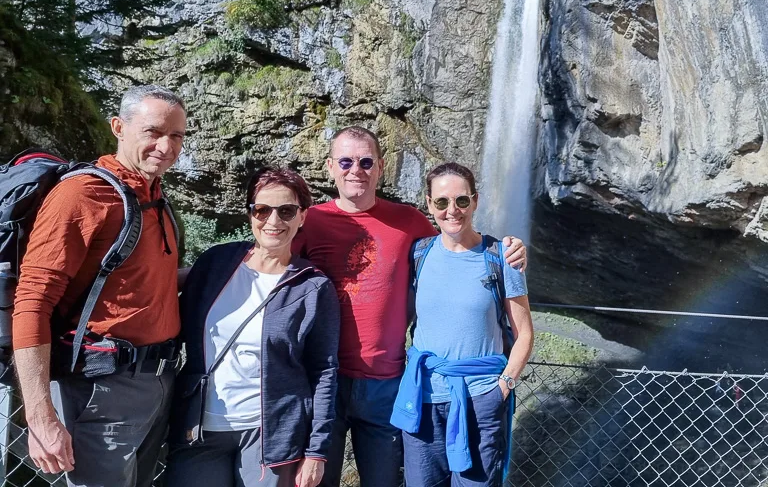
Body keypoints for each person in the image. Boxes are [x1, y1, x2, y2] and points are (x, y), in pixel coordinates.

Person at [293, 126, 528, 487]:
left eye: (366, 161)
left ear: (381, 167)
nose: (356, 169)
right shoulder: (308, 221)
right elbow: (270, 265)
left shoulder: (412, 224)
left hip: (390, 384)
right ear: (329, 167)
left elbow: (459, 248)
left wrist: (509, 247)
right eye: (345, 161)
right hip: (325, 379)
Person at [12, 85, 187, 487]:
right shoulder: (83, 194)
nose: (166, 146)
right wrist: (39, 418)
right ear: (118, 128)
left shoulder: (154, 195)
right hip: (100, 390)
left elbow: (141, 281)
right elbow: (33, 302)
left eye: (177, 136)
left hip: (157, 382)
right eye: (153, 132)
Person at [165, 166, 340, 487]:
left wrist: (317, 451)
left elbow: (324, 372)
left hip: (270, 437)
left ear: (302, 216)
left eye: (286, 211)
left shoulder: (313, 287)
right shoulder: (214, 264)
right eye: (262, 210)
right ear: (250, 214)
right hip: (199, 430)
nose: (273, 221)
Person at [392, 162, 534, 487]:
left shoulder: (502, 257)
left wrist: (505, 386)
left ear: (475, 200)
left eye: (461, 201)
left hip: (482, 399)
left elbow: (524, 332)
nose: (452, 210)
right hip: (425, 400)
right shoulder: (418, 254)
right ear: (429, 204)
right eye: (442, 202)